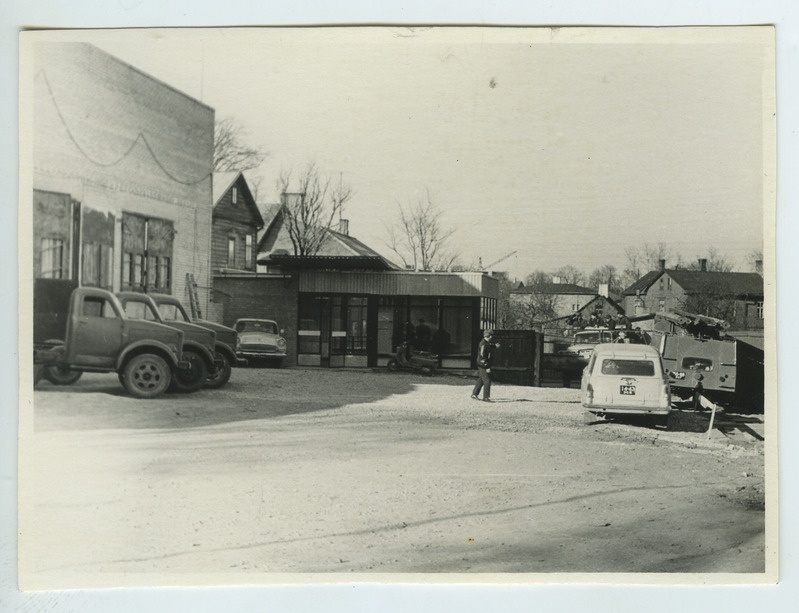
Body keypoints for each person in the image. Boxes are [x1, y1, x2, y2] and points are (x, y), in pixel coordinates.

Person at [471, 329, 500, 402]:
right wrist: (487, 367)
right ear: (490, 336)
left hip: (481, 364)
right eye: (491, 336)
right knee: (487, 380)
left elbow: (489, 346)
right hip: (482, 365)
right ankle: (486, 397)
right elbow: (482, 356)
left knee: (481, 379)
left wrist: (494, 346)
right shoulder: (483, 344)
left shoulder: (485, 342)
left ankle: (474, 394)